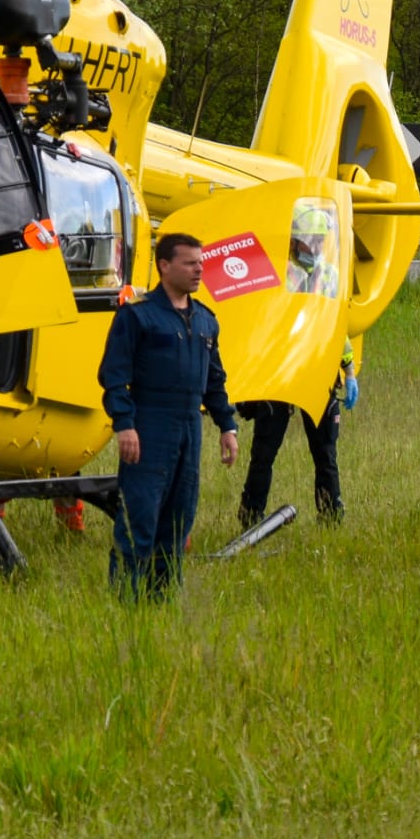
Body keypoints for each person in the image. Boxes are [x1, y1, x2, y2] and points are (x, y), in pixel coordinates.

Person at [97, 231, 240, 598]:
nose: (199, 270)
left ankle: (161, 599)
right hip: (150, 424)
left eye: (201, 262)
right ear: (164, 265)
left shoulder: (206, 321)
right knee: (140, 516)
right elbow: (114, 376)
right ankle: (126, 599)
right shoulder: (139, 315)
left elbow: (215, 380)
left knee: (179, 518)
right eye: (190, 263)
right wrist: (125, 425)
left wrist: (227, 425)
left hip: (189, 425)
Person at [237, 339, 357, 528]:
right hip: (277, 373)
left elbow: (337, 329)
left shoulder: (324, 307)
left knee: (325, 452)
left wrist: (349, 372)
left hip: (317, 372)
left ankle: (331, 516)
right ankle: (251, 516)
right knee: (263, 452)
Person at [284, 202, 341, 297]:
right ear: (292, 243)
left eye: (320, 241)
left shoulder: (331, 274)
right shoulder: (280, 272)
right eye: (310, 241)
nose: (317, 248)